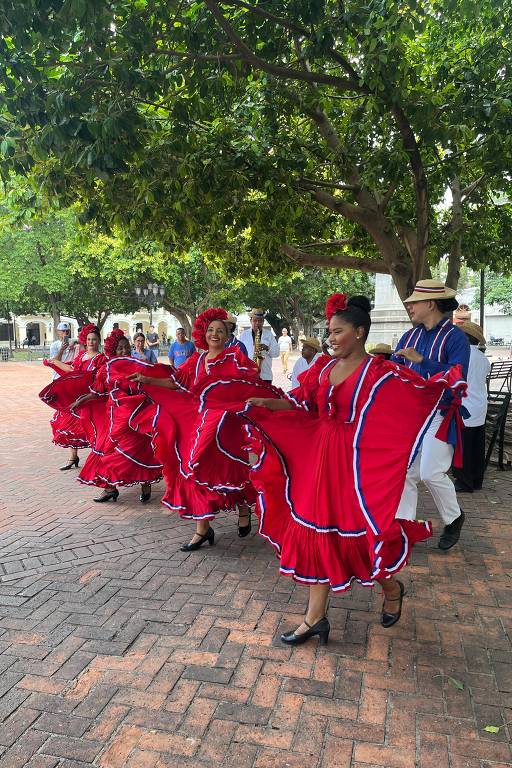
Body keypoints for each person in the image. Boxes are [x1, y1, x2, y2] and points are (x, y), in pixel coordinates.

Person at [242, 293, 466, 646]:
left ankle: (392, 589)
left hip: (356, 466)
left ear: (359, 332)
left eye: (338, 331)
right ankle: (314, 617)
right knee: (317, 531)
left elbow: (415, 396)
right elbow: (303, 403)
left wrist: (444, 382)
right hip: (321, 459)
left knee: (361, 535)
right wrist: (268, 403)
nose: (330, 338)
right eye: (329, 331)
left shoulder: (378, 372)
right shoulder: (325, 368)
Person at [127, 308, 279, 550]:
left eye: (220, 330)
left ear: (228, 334)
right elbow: (175, 382)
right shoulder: (196, 361)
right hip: (199, 427)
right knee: (194, 470)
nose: (214, 334)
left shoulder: (235, 358)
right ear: (203, 333)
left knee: (232, 472)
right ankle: (203, 529)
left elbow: (249, 383)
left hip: (227, 429)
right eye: (210, 330)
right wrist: (147, 380)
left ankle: (242, 508)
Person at [391, 279, 470, 550]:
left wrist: (422, 361)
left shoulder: (455, 337)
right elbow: (394, 370)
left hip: (440, 412)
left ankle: (455, 517)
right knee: (404, 472)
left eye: (414, 301)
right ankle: (403, 529)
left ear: (430, 303)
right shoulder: (409, 336)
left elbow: (459, 377)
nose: (409, 305)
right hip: (411, 416)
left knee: (430, 472)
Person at [70, 330, 162, 504]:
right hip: (115, 418)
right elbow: (97, 391)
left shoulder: (139, 364)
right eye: (120, 348)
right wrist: (80, 401)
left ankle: (145, 483)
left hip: (137, 418)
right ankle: (110, 488)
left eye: (126, 347)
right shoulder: (106, 369)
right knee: (109, 451)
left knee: (140, 451)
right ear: (113, 350)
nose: (124, 351)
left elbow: (153, 384)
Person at [39, 324, 106, 470]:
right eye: (88, 339)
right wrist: (55, 362)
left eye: (94, 340)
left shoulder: (101, 359)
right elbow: (72, 370)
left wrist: (56, 362)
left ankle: (99, 459)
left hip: (91, 398)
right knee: (69, 424)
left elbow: (99, 379)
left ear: (98, 341)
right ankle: (73, 457)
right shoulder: (81, 355)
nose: (90, 342)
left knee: (92, 428)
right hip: (76, 396)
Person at [452, 321, 491, 493]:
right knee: (476, 445)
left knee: (464, 447)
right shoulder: (483, 358)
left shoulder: (464, 355)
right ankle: (476, 480)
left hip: (466, 406)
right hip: (480, 405)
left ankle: (464, 481)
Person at [238, 308, 279, 382]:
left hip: (265, 375)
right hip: (248, 374)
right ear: (251, 321)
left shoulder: (269, 335)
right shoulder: (243, 335)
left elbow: (276, 353)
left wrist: (267, 348)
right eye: (255, 320)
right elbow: (239, 354)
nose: (257, 323)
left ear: (263, 322)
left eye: (260, 321)